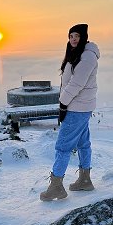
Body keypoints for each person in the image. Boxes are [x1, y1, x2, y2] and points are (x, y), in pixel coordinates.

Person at [40, 23, 100, 201]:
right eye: (71, 36)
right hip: (81, 107)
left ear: (84, 37)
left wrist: (63, 104)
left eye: (77, 36)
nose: (73, 39)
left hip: (76, 107)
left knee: (63, 146)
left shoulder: (87, 56)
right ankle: (85, 179)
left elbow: (76, 84)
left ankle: (57, 186)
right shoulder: (78, 54)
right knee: (83, 143)